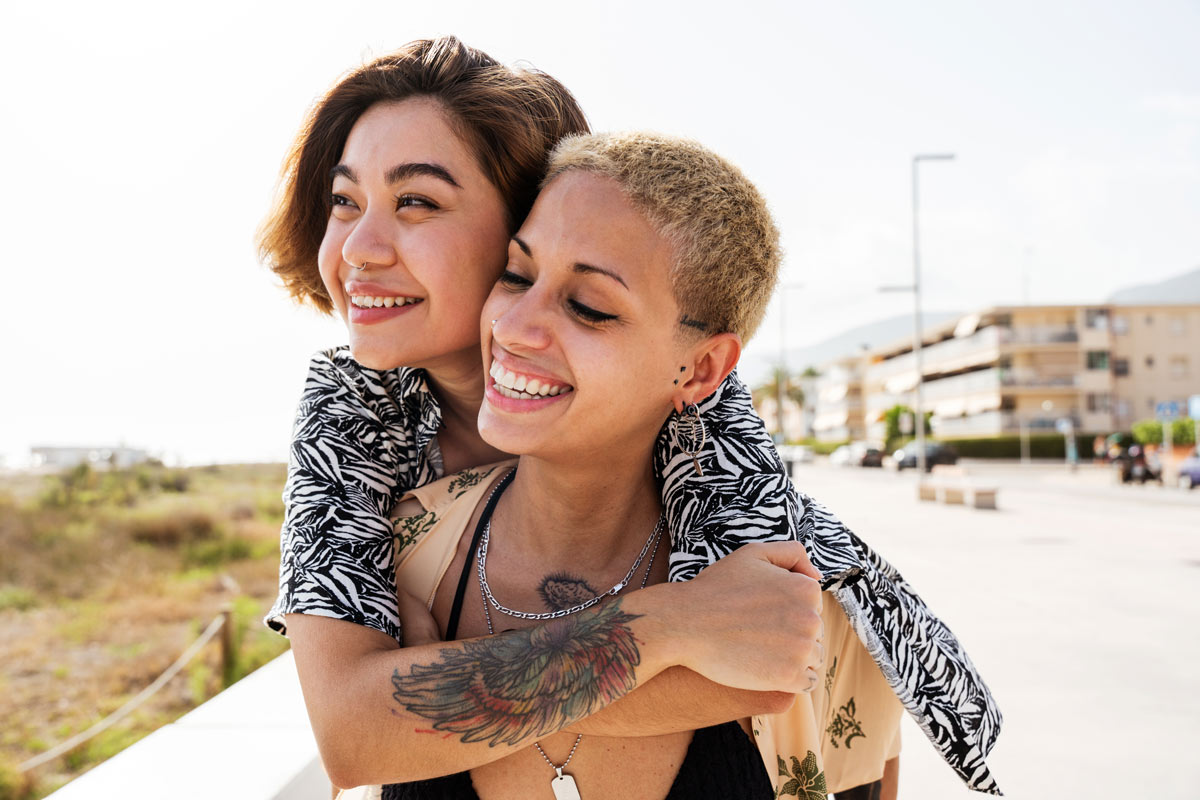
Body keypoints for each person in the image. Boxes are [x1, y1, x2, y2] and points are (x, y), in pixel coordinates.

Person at [259, 37, 1002, 797]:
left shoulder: (705, 431)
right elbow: (356, 732)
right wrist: (671, 626)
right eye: (344, 200)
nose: (358, 247)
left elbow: (756, 674)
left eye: (416, 202)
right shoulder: (351, 411)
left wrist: (431, 683)